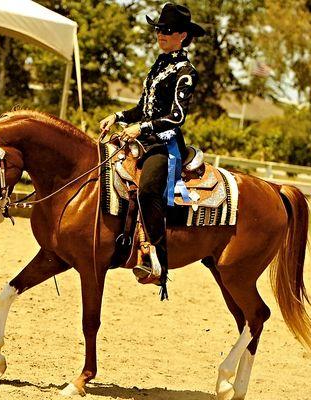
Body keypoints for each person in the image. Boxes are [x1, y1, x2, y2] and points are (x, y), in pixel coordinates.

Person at [99, 3, 205, 299]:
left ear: (183, 35)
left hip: (163, 143)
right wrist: (119, 117)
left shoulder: (186, 72)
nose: (161, 34)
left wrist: (140, 128)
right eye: (158, 29)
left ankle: (157, 260)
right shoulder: (159, 64)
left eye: (167, 31)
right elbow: (142, 107)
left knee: (147, 191)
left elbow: (176, 116)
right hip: (142, 137)